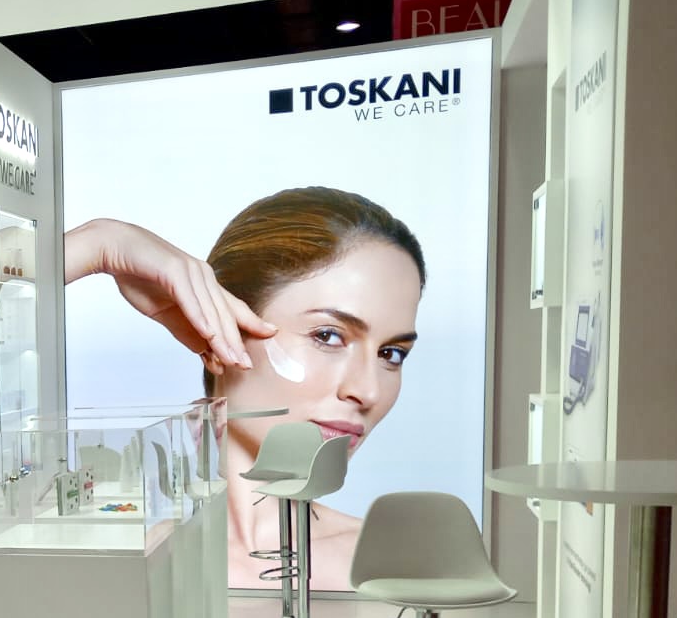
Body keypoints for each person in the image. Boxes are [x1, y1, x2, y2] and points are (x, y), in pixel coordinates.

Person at [64, 186, 425, 590]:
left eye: (392, 353)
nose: (368, 391)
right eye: (328, 335)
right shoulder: (121, 555)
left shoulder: (400, 567)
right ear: (221, 330)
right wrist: (99, 243)